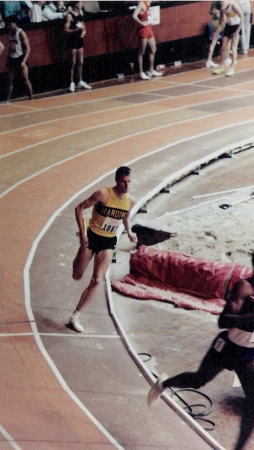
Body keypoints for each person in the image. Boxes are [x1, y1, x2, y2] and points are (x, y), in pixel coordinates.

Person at [147, 251, 254, 450]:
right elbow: (223, 321)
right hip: (226, 348)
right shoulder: (244, 288)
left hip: (247, 353)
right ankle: (163, 384)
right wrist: (248, 318)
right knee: (198, 380)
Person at [69, 166, 138, 332]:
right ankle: (81, 245)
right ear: (117, 180)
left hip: (108, 241)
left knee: (97, 280)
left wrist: (129, 231)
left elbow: (126, 217)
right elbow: (79, 208)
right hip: (92, 237)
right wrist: (84, 234)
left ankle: (75, 316)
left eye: (129, 182)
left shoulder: (130, 201)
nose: (127, 186)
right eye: (124, 182)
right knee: (77, 275)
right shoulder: (103, 194)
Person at [64, 0, 92, 92]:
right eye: (80, 3)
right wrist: (75, 30)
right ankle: (71, 82)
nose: (82, 4)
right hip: (72, 40)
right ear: (76, 4)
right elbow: (66, 30)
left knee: (80, 61)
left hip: (79, 40)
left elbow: (83, 26)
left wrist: (84, 32)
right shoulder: (69, 15)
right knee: (72, 62)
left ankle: (80, 80)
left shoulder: (80, 13)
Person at [132, 1, 162, 80]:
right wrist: (141, 23)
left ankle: (151, 70)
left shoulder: (148, 2)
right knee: (142, 51)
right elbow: (134, 16)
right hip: (143, 30)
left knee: (153, 49)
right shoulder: (141, 3)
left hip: (148, 28)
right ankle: (141, 72)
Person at [213, 0, 244, 76]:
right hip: (228, 26)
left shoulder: (233, 5)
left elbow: (242, 17)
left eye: (222, 7)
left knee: (233, 47)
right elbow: (221, 18)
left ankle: (231, 68)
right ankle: (221, 66)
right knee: (223, 47)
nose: (222, 9)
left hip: (236, 26)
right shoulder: (221, 7)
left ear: (224, 4)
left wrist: (237, 31)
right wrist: (219, 27)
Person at [6, 15, 33, 102]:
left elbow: (28, 48)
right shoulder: (9, 32)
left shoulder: (21, 32)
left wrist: (24, 61)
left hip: (20, 57)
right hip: (12, 57)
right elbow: (10, 46)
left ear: (15, 23)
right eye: (9, 24)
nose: (10, 25)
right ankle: (8, 99)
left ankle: (31, 98)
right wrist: (8, 57)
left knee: (25, 79)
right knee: (10, 80)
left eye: (11, 23)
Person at [205, 1, 225, 68]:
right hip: (220, 21)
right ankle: (226, 58)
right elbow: (224, 14)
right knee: (226, 39)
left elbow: (210, 12)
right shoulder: (221, 2)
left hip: (214, 20)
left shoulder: (213, 1)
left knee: (213, 41)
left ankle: (209, 60)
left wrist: (215, 13)